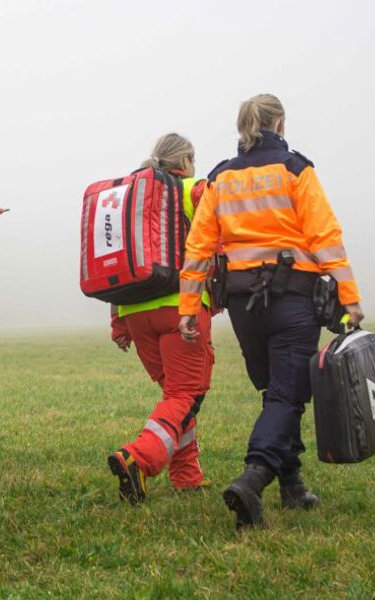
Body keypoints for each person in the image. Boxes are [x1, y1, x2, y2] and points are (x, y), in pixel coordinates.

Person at [178, 94, 364, 528]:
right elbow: (325, 235)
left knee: (275, 393)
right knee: (287, 395)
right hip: (292, 301)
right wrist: (349, 296)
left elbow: (198, 247)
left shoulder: (220, 177)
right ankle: (253, 478)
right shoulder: (295, 168)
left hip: (243, 306)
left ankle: (292, 484)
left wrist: (189, 306)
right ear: (278, 123)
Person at [107, 133, 216, 504]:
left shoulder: (134, 199)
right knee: (186, 394)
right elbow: (224, 224)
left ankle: (186, 476)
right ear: (184, 161)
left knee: (175, 396)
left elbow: (122, 258)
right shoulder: (191, 190)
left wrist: (118, 321)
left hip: (135, 312)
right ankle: (136, 458)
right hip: (179, 309)